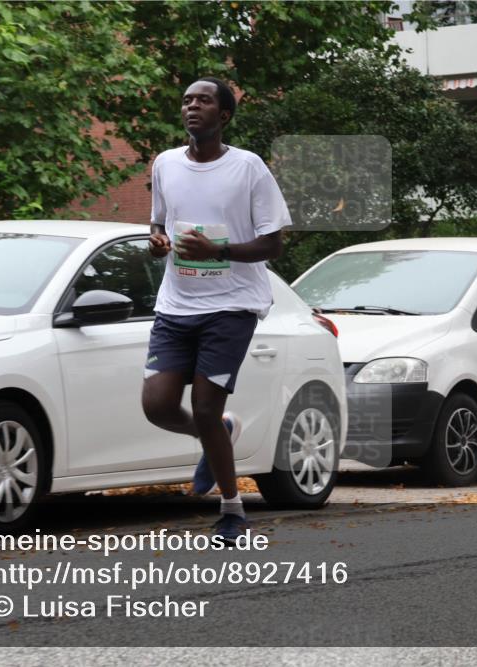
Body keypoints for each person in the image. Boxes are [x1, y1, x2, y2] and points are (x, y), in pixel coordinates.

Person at [141, 76, 291, 542]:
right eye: (187, 100)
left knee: (204, 408)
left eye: (203, 101)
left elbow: (274, 244)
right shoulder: (166, 164)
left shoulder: (249, 169)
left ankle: (231, 511)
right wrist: (157, 242)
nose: (192, 107)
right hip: (176, 304)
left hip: (231, 306)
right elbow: (158, 223)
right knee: (158, 405)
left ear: (223, 115)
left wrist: (217, 252)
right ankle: (218, 433)